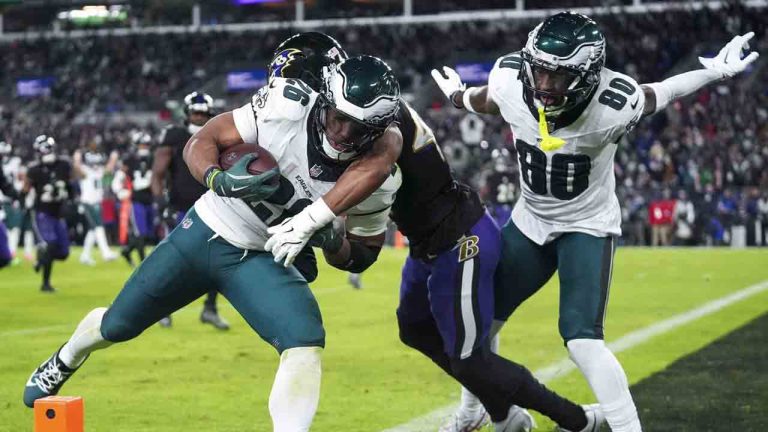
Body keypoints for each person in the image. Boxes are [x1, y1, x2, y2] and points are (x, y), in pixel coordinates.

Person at [23, 55, 402, 432]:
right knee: (117, 325)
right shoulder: (287, 106)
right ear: (324, 101)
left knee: (304, 341)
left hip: (262, 258)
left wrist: (333, 241)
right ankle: (66, 357)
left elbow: (361, 256)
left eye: (358, 129)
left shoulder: (380, 178)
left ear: (377, 132)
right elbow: (202, 140)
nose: (343, 133)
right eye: (338, 118)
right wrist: (216, 178)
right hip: (206, 230)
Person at [431, 12, 758, 432]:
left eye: (557, 76)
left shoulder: (612, 107)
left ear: (588, 76)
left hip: (586, 224)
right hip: (531, 220)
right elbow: (489, 99)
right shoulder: (511, 81)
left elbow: (661, 92)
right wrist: (458, 96)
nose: (544, 84)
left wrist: (712, 73)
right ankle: (476, 411)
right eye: (539, 71)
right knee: (478, 323)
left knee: (582, 340)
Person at [264, 33, 604, 432]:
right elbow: (357, 232)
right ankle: (503, 414)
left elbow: (380, 160)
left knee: (470, 359)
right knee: (414, 329)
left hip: (460, 237)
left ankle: (577, 419)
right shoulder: (360, 108)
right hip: (425, 241)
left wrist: (310, 218)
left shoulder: (374, 117)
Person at [151, 91, 229, 330]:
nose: (198, 117)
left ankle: (210, 309)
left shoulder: (218, 135)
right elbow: (158, 173)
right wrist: (160, 203)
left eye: (203, 113)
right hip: (180, 208)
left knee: (217, 261)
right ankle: (162, 309)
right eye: (195, 112)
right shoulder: (174, 135)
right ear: (187, 113)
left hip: (213, 208)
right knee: (176, 262)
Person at [24, 135, 75, 292]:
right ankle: (45, 284)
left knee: (63, 253)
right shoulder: (34, 170)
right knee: (51, 244)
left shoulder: (64, 165)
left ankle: (41, 258)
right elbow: (25, 189)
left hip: (58, 212)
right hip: (43, 212)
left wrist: (70, 197)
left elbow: (71, 184)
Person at [73, 141, 119, 265]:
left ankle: (85, 255)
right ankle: (105, 252)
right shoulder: (86, 170)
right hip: (88, 201)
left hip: (96, 201)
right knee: (98, 226)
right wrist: (77, 158)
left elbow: (108, 170)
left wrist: (113, 159)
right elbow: (78, 168)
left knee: (93, 229)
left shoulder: (99, 171)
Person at [112, 132, 154, 267]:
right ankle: (144, 264)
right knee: (141, 233)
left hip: (150, 199)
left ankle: (127, 250)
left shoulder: (153, 158)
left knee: (147, 234)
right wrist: (120, 191)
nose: (144, 147)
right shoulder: (129, 160)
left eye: (146, 145)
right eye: (141, 145)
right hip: (136, 200)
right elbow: (118, 178)